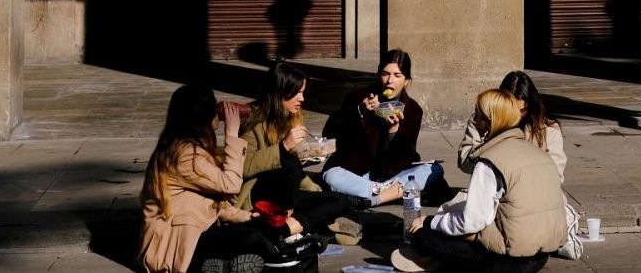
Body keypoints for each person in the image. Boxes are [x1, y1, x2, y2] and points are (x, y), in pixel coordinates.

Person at [393, 89, 565, 273]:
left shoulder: (490, 161)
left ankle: (442, 262)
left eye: (478, 115)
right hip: (542, 256)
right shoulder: (537, 152)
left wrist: (430, 222)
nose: (474, 120)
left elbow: (472, 221)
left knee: (422, 236)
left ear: (490, 121)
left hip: (511, 263)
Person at [136, 83, 280, 273]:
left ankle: (227, 266)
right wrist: (232, 135)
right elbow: (230, 185)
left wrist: (245, 216)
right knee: (252, 238)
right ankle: (278, 263)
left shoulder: (185, 147)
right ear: (203, 117)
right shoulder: (185, 155)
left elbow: (206, 203)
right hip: (175, 247)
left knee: (259, 229)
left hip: (194, 232)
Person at [231, 61, 361, 246]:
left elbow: (296, 172)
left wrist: (316, 189)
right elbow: (245, 167)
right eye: (297, 93)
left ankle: (284, 229)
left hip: (289, 195)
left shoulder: (291, 117)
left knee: (340, 200)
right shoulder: (252, 122)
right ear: (280, 92)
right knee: (290, 166)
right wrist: (283, 147)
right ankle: (301, 226)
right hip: (261, 197)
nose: (302, 99)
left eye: (303, 92)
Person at [322, 48, 443, 205]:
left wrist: (393, 132)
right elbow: (331, 132)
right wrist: (360, 111)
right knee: (332, 176)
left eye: (397, 75)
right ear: (379, 75)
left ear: (407, 81)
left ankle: (374, 195)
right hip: (358, 172)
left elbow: (406, 156)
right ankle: (387, 193)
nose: (389, 81)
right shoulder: (357, 97)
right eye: (385, 74)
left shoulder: (413, 110)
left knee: (434, 169)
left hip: (390, 174)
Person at [457, 71, 565, 183]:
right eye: (511, 109)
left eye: (522, 110)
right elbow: (464, 164)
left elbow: (556, 176)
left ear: (531, 106)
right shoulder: (483, 120)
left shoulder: (547, 130)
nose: (517, 115)